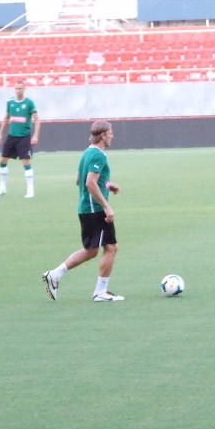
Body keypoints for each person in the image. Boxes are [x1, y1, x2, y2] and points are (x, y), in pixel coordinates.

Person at [43, 120, 124, 302]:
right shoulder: (99, 156)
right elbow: (88, 182)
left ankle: (55, 275)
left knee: (92, 250)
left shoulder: (87, 153)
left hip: (86, 209)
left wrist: (108, 185)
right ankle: (100, 292)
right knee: (110, 248)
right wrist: (106, 206)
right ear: (102, 135)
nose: (112, 136)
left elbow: (79, 179)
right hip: (95, 210)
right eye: (110, 132)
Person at [0, 79, 40, 198]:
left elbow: (37, 119)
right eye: (16, 88)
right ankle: (2, 188)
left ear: (24, 89)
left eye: (20, 88)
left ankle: (30, 190)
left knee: (26, 161)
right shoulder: (10, 102)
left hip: (24, 136)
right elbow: (6, 118)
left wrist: (35, 135)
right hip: (11, 136)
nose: (18, 90)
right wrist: (0, 133)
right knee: (2, 160)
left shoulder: (29, 103)